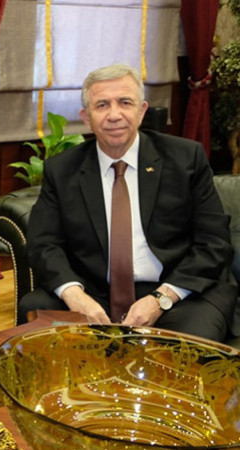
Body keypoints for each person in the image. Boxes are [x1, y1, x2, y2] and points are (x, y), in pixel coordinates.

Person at [19, 63, 240, 343]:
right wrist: (75, 296)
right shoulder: (63, 170)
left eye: (125, 102)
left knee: (186, 347)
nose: (114, 115)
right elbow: (44, 244)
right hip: (93, 292)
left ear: (142, 111)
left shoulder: (185, 159)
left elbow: (214, 242)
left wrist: (162, 298)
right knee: (34, 314)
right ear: (86, 118)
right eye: (102, 105)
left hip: (178, 290)